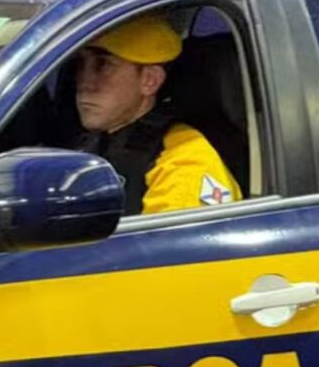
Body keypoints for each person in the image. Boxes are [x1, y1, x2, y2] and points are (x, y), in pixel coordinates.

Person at [74, 14, 242, 216]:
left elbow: (170, 245)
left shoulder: (183, 161)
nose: (85, 82)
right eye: (82, 65)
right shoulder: (92, 144)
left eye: (104, 65)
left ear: (149, 81)